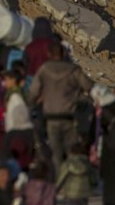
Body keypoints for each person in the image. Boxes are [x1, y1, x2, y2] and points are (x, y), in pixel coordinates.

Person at [30, 41, 94, 174]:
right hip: (69, 117)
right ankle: (71, 180)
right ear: (63, 53)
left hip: (51, 118)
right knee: (71, 151)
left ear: (49, 54)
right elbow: (89, 87)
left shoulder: (44, 69)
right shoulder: (73, 70)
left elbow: (34, 92)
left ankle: (60, 181)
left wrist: (30, 106)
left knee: (55, 153)